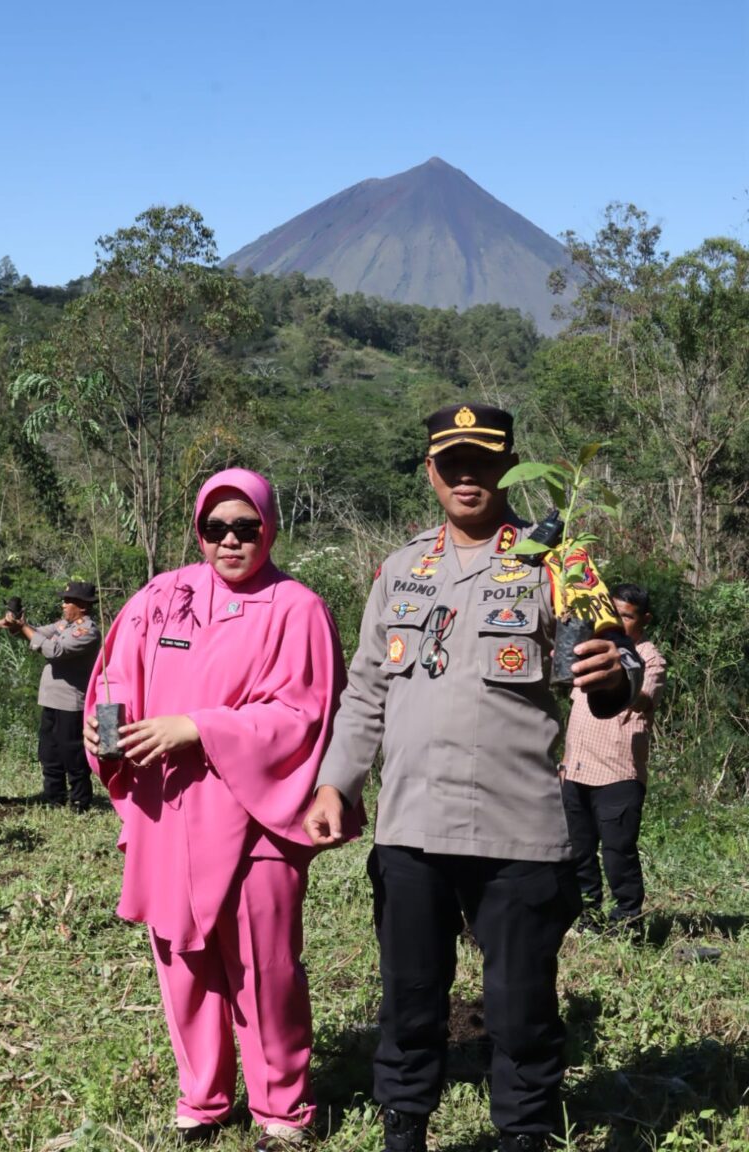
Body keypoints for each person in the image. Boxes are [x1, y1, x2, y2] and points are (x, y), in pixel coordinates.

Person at [303, 404, 644, 1152]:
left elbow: (615, 669)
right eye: (451, 462)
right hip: (411, 829)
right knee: (410, 1001)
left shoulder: (558, 559)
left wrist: (610, 676)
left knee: (521, 1009)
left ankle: (522, 1133)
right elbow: (365, 690)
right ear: (430, 471)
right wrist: (337, 783)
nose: (467, 475)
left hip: (519, 831)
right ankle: (404, 1129)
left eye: (483, 461)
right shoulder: (401, 569)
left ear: (509, 466)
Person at [84, 468, 357, 1147]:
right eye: (216, 528)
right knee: (182, 959)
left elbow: (307, 713)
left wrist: (201, 727)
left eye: (247, 528)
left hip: (257, 813)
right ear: (199, 531)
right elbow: (116, 675)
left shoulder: (299, 609)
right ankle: (202, 1098)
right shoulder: (162, 596)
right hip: (169, 809)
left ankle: (282, 1110)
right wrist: (101, 731)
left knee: (264, 968)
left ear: (270, 527)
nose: (231, 541)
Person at [561, 583, 666, 935]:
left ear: (644, 620)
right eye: (614, 613)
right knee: (580, 852)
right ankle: (587, 917)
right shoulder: (590, 648)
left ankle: (628, 924)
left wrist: (620, 680)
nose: (619, 622)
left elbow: (643, 698)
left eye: (627, 616)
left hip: (618, 773)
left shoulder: (649, 658)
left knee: (619, 854)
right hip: (575, 768)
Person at [14, 581, 101, 813]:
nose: (63, 605)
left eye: (68, 601)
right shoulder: (65, 625)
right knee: (49, 752)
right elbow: (40, 633)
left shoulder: (87, 631)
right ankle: (53, 798)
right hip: (51, 701)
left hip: (70, 704)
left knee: (72, 754)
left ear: (82, 606)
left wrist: (27, 630)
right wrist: (21, 625)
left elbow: (55, 651)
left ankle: (80, 800)